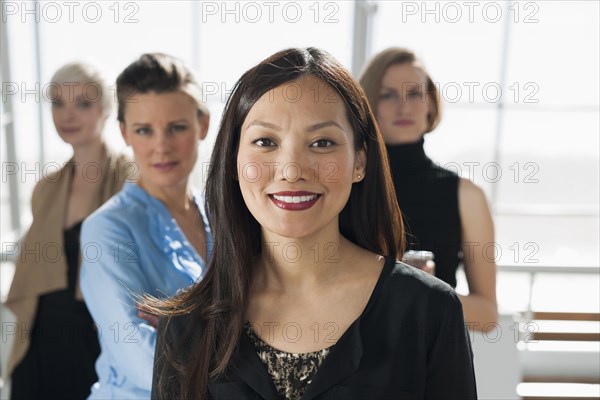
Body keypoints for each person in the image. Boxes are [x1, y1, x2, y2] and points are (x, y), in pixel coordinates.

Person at [149, 47, 477, 400]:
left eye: (322, 142)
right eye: (265, 142)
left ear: (360, 162)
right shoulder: (186, 325)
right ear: (233, 161)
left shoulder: (429, 311)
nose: (292, 170)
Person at [79, 53, 212, 399]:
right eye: (144, 130)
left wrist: (180, 329)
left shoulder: (225, 218)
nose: (161, 146)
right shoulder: (107, 230)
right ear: (124, 133)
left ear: (203, 125)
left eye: (177, 127)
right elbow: (143, 361)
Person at [5, 62, 131, 399]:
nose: (67, 115)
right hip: (41, 336)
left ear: (106, 110)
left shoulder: (130, 179)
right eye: (58, 103)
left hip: (97, 335)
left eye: (83, 104)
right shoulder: (45, 189)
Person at [359, 48, 498, 329]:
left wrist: (428, 289)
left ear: (431, 104)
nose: (404, 107)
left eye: (414, 94)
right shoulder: (345, 186)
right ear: (368, 104)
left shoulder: (466, 196)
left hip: (430, 363)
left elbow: (487, 316)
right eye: (387, 95)